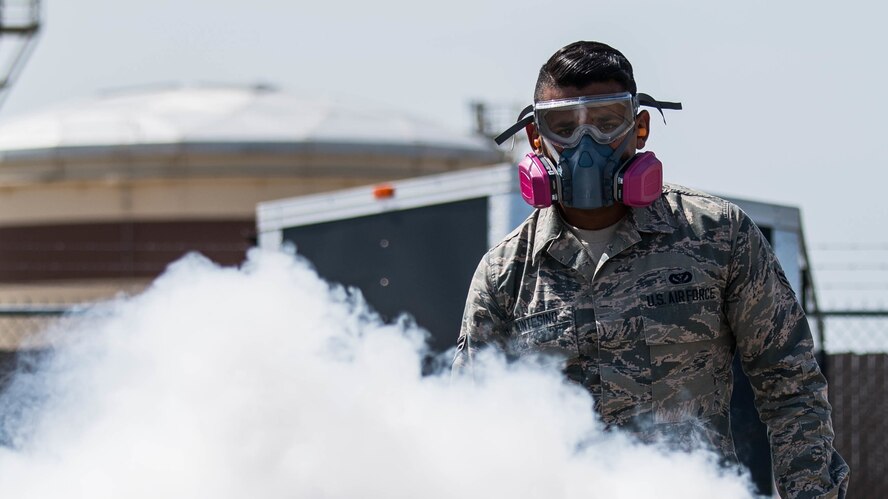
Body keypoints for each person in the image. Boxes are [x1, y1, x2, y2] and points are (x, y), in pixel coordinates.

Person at [452, 40, 849, 499]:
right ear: (536, 138)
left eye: (607, 123)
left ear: (639, 127)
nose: (586, 145)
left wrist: (811, 493)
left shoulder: (717, 235)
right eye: (563, 127)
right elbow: (472, 423)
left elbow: (790, 383)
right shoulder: (506, 274)